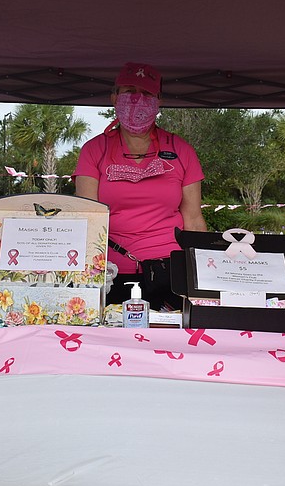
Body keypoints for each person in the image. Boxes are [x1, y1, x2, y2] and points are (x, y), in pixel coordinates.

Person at [74, 62, 207, 311]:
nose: (137, 99)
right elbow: (87, 220)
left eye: (146, 94)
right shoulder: (94, 150)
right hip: (111, 274)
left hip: (171, 272)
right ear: (114, 97)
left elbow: (194, 220)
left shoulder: (181, 150)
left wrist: (204, 276)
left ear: (159, 101)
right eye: (129, 91)